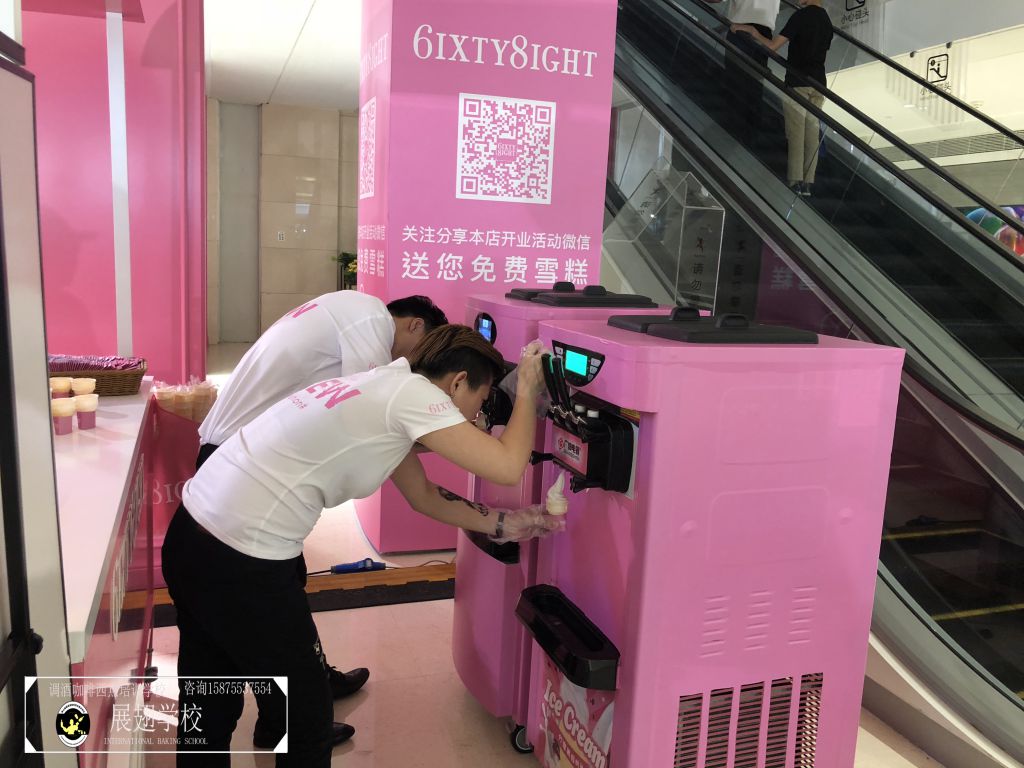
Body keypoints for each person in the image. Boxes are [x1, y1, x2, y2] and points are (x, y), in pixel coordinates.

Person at [162, 325, 563, 766]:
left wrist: (506, 523)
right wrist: (528, 389)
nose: (476, 416)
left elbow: (423, 495)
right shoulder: (414, 398)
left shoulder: (383, 384)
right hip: (243, 561)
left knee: (209, 696)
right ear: (457, 383)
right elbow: (508, 466)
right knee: (307, 718)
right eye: (480, 401)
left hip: (190, 535)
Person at [195, 291, 447, 747]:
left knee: (281, 592)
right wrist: (450, 433)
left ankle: (297, 699)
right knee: (264, 611)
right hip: (238, 465)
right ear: (414, 325)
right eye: (423, 349)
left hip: (236, 456)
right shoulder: (370, 320)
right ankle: (285, 720)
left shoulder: (348, 310)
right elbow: (367, 415)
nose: (416, 364)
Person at [732, 0, 834, 196]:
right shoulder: (827, 21)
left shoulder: (800, 16)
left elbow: (773, 46)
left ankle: (795, 181)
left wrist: (752, 32)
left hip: (797, 82)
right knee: (812, 134)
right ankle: (808, 183)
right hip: (819, 84)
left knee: (796, 133)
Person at [704, 0, 781, 145]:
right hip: (764, 34)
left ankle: (735, 131)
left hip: (741, 30)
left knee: (735, 81)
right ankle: (751, 134)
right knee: (754, 84)